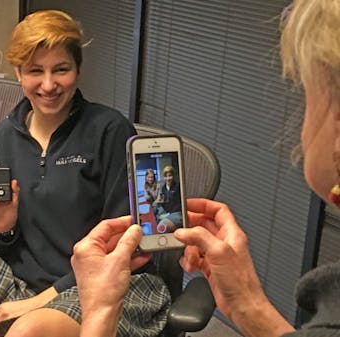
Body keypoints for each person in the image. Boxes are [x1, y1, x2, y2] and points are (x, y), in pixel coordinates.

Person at [71, 0, 340, 336]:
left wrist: (99, 314)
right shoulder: (11, 131)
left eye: (307, 93)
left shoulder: (109, 129)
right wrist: (248, 305)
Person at [0, 9, 170, 337]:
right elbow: (8, 246)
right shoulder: (6, 135)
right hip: (23, 275)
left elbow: (123, 241)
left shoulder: (109, 131)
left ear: (77, 70)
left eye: (61, 70)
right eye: (35, 71)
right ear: (19, 72)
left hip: (105, 280)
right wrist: (4, 229)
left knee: (28, 332)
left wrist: (43, 300)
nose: (48, 85)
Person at [154, 165, 183, 230]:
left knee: (161, 227)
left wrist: (167, 214)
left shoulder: (178, 186)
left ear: (173, 176)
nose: (168, 178)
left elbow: (180, 204)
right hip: (167, 212)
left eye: (170, 176)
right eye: (166, 176)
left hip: (176, 212)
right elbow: (165, 202)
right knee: (155, 210)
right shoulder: (164, 188)